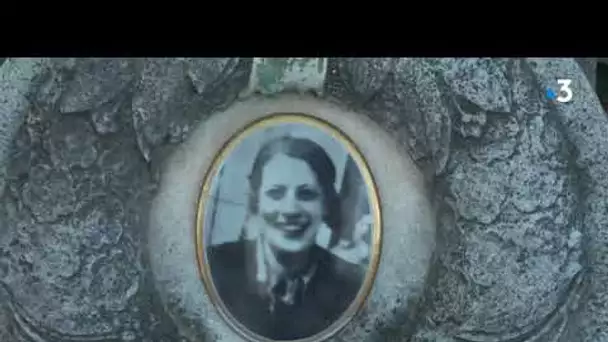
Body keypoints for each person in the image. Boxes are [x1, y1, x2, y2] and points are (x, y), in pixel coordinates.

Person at [207, 135, 365, 340]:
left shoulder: (352, 288)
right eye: (275, 193)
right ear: (256, 201)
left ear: (326, 203)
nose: (290, 209)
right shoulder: (214, 268)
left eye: (306, 194)